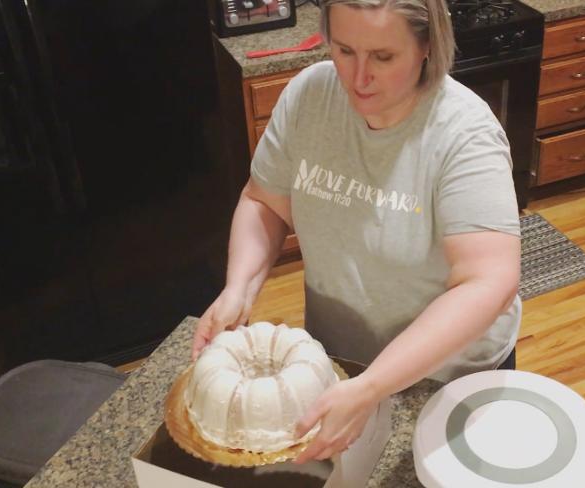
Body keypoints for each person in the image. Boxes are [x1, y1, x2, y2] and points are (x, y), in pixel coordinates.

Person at [191, 0, 521, 464]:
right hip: (339, 364)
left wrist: (373, 386)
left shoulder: (463, 133)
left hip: (444, 379)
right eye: (344, 50)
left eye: (383, 57)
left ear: (427, 46)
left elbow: (490, 282)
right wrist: (239, 290)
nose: (357, 77)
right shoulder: (310, 96)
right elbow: (263, 199)